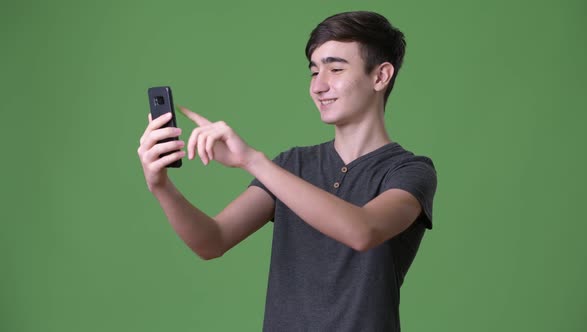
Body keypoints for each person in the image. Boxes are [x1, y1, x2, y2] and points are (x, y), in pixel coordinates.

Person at [137, 11, 437, 332]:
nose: (319, 86)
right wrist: (160, 185)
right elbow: (212, 240)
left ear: (380, 76)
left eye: (335, 69)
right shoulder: (292, 165)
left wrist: (252, 160)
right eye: (313, 71)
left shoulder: (409, 170)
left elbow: (362, 231)